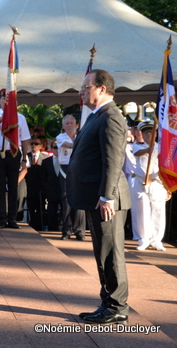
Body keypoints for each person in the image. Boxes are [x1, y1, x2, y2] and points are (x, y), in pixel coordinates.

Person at [67, 69, 131, 325]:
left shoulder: (111, 117)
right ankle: (108, 303)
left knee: (111, 253)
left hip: (107, 200)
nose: (81, 91)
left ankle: (117, 307)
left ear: (102, 89)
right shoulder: (97, 116)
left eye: (86, 86)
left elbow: (113, 161)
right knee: (102, 252)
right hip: (98, 198)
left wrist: (107, 197)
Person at [0, 89, 31, 229]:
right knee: (0, 186)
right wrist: (8, 115)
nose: (6, 102)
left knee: (13, 186)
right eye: (3, 99)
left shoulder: (21, 118)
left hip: (13, 152)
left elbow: (24, 140)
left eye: (9, 100)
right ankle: (2, 218)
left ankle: (12, 218)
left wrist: (24, 158)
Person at [130, 119, 171, 251]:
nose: (148, 135)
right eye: (145, 132)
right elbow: (137, 153)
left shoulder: (162, 148)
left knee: (158, 211)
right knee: (142, 211)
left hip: (157, 183)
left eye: (151, 132)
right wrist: (148, 150)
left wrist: (168, 188)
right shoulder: (137, 146)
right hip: (141, 182)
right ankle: (144, 239)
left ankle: (157, 240)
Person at [57, 114, 86, 240]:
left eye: (71, 123)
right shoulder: (60, 137)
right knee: (66, 199)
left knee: (80, 198)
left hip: (79, 168)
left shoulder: (80, 136)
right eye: (67, 123)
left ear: (76, 125)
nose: (69, 125)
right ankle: (67, 230)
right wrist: (80, 143)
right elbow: (68, 146)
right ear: (63, 126)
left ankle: (79, 230)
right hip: (66, 169)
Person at [24, 134, 50, 231]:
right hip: (29, 187)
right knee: (31, 208)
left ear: (41, 146)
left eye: (36, 143)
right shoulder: (25, 157)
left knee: (41, 208)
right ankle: (33, 225)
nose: (33, 145)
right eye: (32, 143)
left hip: (42, 188)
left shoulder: (46, 158)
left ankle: (40, 226)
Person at [42, 140, 62, 231]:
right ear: (51, 148)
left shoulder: (68, 160)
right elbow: (44, 177)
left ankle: (67, 229)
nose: (57, 149)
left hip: (64, 191)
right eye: (55, 147)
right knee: (51, 212)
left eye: (59, 147)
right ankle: (52, 229)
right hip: (52, 191)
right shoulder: (46, 162)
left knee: (66, 212)